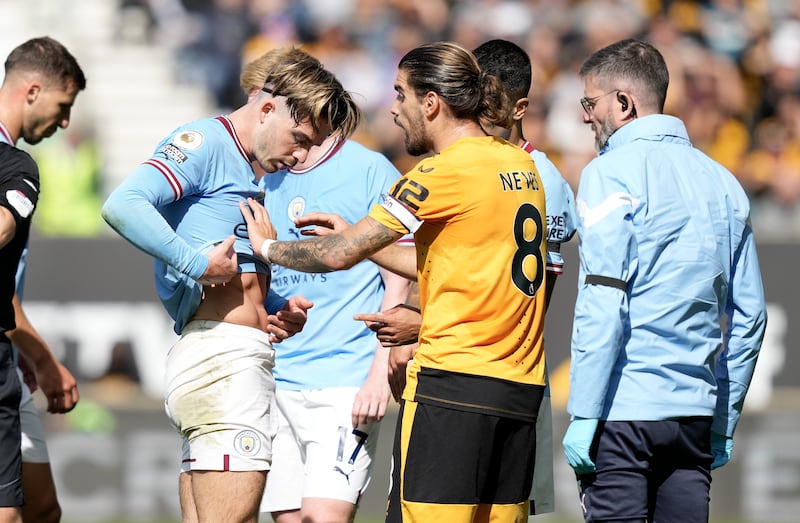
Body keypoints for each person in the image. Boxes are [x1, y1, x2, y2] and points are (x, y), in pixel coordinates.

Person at [240, 41, 549, 522]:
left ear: (432, 103)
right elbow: (454, 259)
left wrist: (267, 247)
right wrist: (370, 244)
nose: (394, 108)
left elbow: (336, 256)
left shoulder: (439, 174)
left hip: (453, 387)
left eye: (401, 94)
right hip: (518, 387)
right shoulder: (521, 165)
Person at [100, 46, 360, 523]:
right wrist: (192, 264)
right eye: (299, 137)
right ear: (266, 108)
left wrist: (275, 307)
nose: (301, 155)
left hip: (222, 360)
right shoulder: (205, 142)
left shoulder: (246, 168)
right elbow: (124, 203)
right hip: (225, 366)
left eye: (312, 145)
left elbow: (228, 265)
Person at [353, 38, 578, 516]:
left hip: (472, 377)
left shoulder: (519, 174)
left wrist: (423, 326)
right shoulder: (522, 169)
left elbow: (531, 295)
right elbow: (458, 259)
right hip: (498, 377)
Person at [562, 38, 767, 523]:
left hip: (623, 411)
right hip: (692, 417)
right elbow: (750, 316)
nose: (584, 117)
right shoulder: (723, 181)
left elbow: (603, 298)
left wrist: (584, 410)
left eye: (590, 103)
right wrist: (723, 418)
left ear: (624, 103)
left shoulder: (608, 173)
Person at [238, 53, 412, 523]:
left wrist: (378, 374)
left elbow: (401, 273)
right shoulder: (261, 175)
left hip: (343, 382)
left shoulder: (370, 170)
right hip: (275, 380)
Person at [0, 36, 86, 523]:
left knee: (41, 510)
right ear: (33, 91)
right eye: (63, 104)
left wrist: (26, 352)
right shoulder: (12, 166)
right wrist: (46, 361)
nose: (65, 121)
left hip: (8, 358)